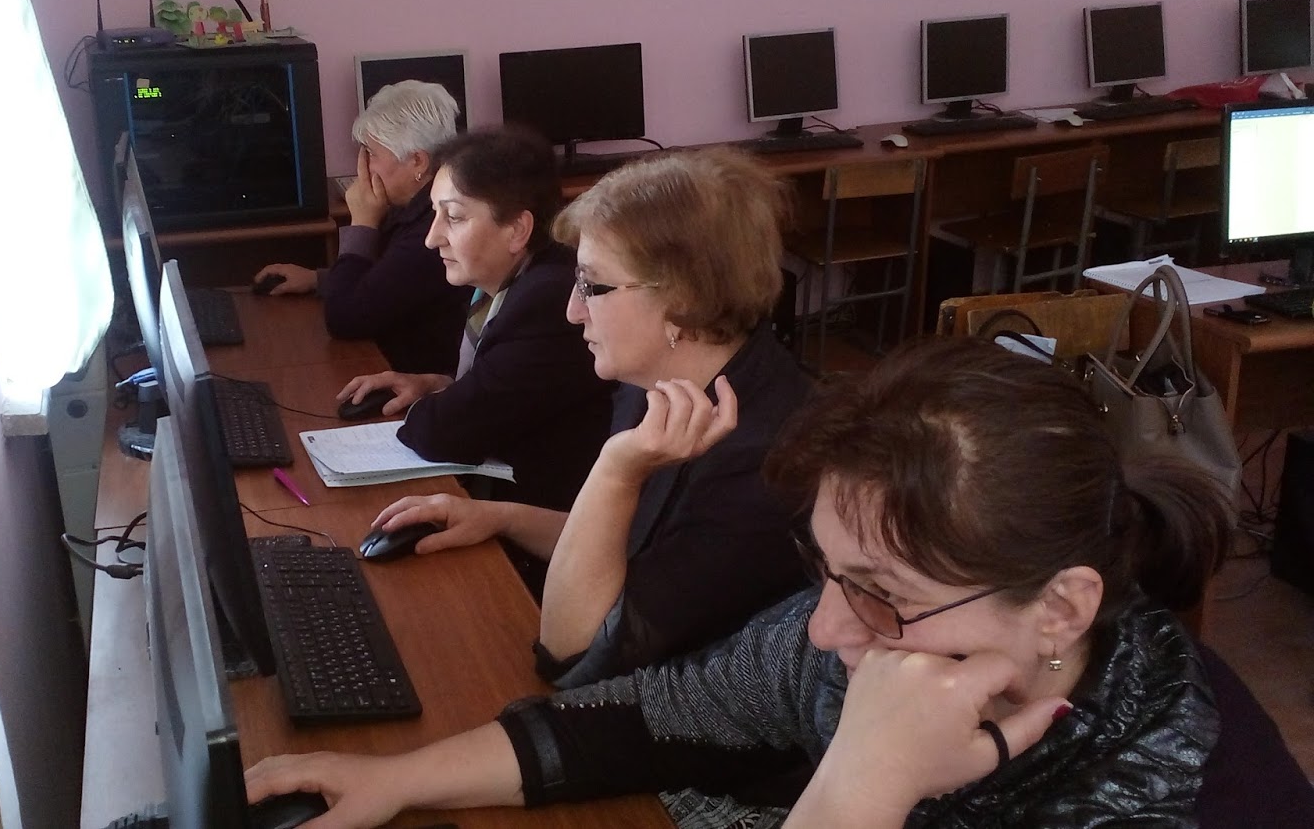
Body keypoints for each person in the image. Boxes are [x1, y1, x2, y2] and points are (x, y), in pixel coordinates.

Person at [244, 336, 1314, 828]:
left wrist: (862, 787)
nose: (824, 628)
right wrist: (403, 779)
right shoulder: (863, 640)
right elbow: (645, 720)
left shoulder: (1188, 794)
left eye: (881, 593)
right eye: (826, 571)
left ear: (1062, 609)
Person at [366, 147, 813, 688]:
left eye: (592, 285)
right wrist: (500, 518)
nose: (572, 310)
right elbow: (621, 547)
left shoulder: (766, 466)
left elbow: (571, 652)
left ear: (683, 299)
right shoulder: (655, 385)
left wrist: (617, 470)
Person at [338, 127, 615, 512]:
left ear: (517, 229)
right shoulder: (500, 285)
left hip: (544, 523)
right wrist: (438, 384)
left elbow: (442, 433)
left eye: (453, 217)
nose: (432, 238)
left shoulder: (547, 302)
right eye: (434, 214)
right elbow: (507, 393)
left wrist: (442, 403)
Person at [255, 80, 470, 375]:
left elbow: (344, 319)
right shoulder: (417, 205)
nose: (363, 166)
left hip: (416, 378)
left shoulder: (432, 231)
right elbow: (389, 277)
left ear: (417, 161)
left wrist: (362, 222)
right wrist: (319, 279)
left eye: (371, 153)